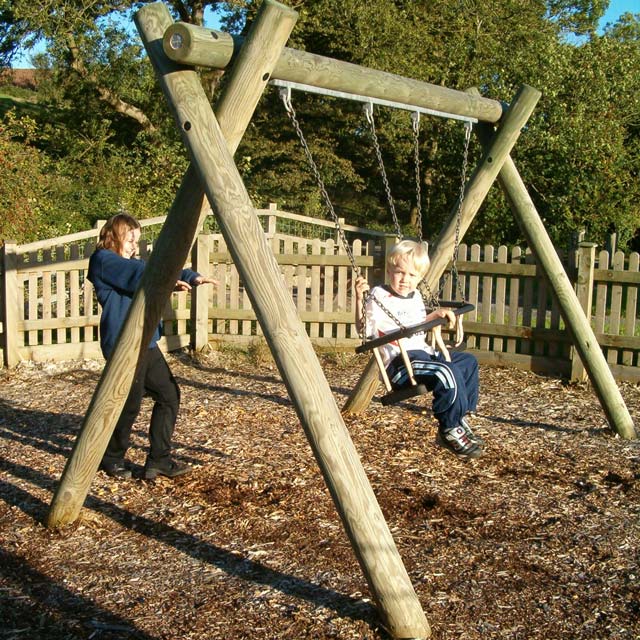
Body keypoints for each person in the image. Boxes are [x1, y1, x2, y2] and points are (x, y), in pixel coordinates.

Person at [88, 213, 217, 480]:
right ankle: (111, 458)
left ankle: (159, 460)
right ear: (114, 235)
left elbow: (156, 268)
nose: (135, 243)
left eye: (137, 238)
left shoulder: (133, 263)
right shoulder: (103, 261)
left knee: (169, 395)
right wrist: (167, 280)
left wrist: (191, 276)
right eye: (130, 237)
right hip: (123, 343)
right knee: (129, 404)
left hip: (146, 341)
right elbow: (139, 275)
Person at [354, 239, 483, 459]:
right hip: (401, 364)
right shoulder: (377, 295)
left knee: (467, 362)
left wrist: (436, 315)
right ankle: (448, 428)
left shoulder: (415, 297)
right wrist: (359, 299)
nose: (405, 279)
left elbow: (417, 322)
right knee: (446, 372)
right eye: (399, 272)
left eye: (412, 275)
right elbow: (364, 331)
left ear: (420, 277)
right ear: (389, 270)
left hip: (424, 355)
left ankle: (459, 418)